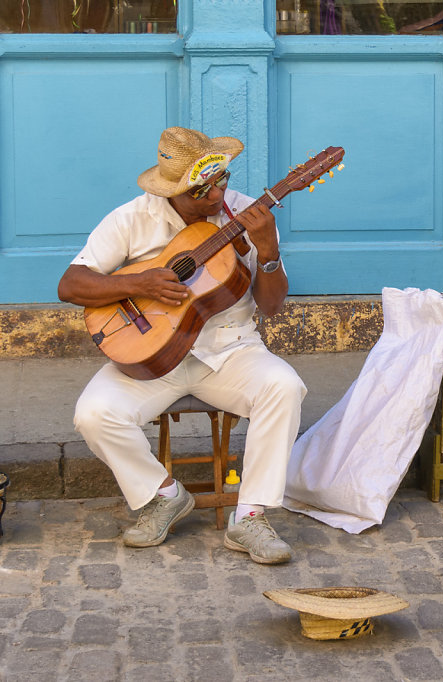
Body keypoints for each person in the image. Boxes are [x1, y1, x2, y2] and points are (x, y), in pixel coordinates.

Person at [58, 127, 307, 564]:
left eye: (221, 183)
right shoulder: (131, 218)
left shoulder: (249, 215)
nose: (215, 198)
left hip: (231, 351)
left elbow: (272, 306)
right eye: (200, 191)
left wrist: (267, 251)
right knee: (93, 415)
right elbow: (70, 284)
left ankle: (250, 516)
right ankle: (164, 495)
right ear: (172, 190)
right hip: (154, 354)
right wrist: (138, 282)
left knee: (284, 387)